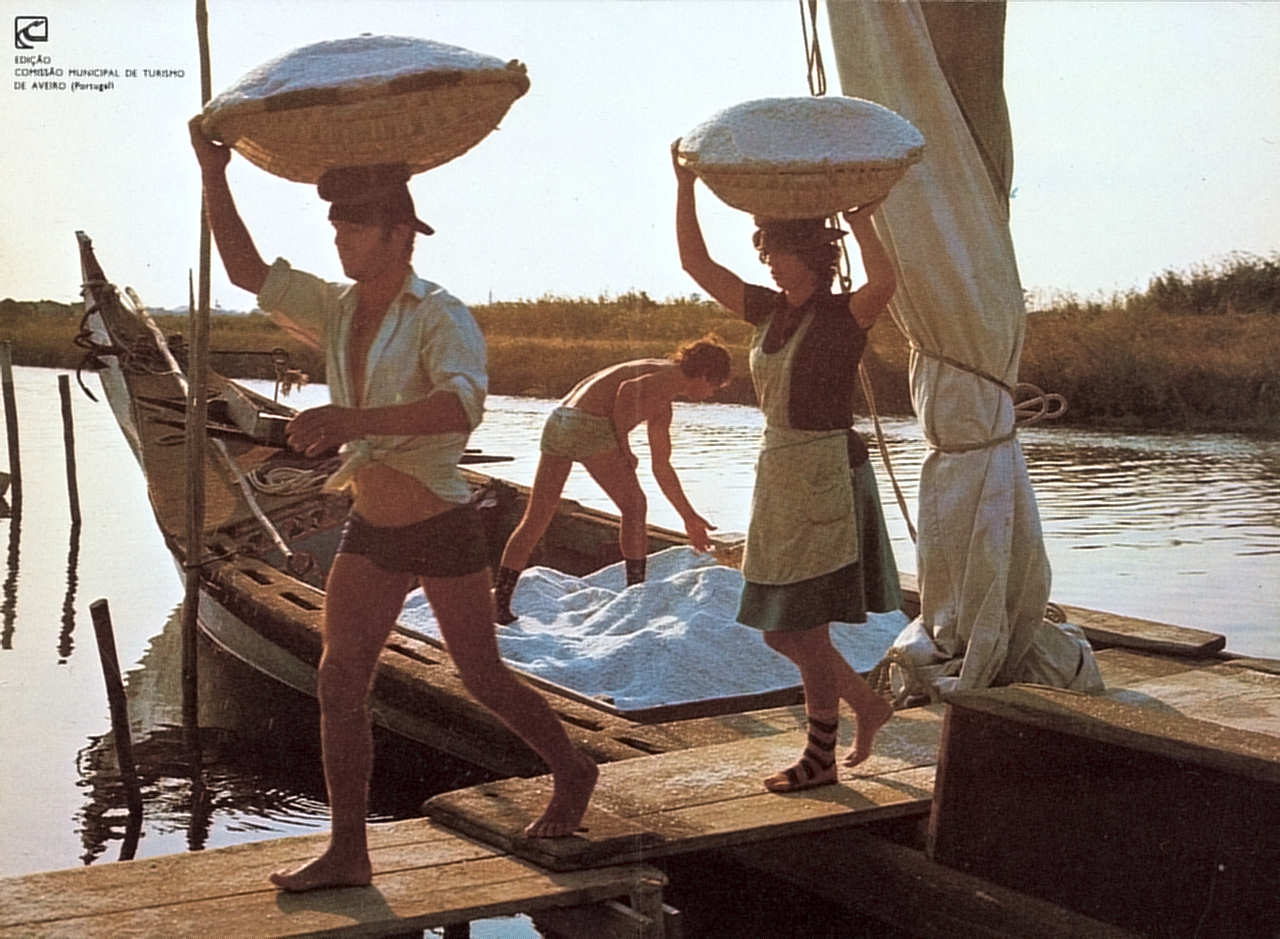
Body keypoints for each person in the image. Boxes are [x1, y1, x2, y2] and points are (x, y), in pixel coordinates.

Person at [189, 118, 598, 891]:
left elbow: (460, 407)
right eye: (336, 226)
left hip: (440, 521)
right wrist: (215, 175)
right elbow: (246, 270)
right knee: (339, 680)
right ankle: (349, 849)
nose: (339, 238)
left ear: (399, 233)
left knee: (481, 674)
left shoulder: (440, 314)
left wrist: (353, 421)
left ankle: (572, 769)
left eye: (354, 226)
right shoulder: (338, 307)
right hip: (371, 525)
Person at [672, 142, 903, 793]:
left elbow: (885, 283)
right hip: (777, 472)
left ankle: (820, 758)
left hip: (825, 473)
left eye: (781, 251)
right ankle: (868, 704)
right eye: (767, 251)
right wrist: (684, 186)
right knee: (779, 632)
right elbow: (695, 263)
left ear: (814, 257)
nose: (771, 262)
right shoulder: (769, 311)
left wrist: (862, 222)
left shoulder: (842, 314)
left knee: (805, 625)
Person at [493, 340, 730, 624]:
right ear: (704, 374)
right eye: (714, 387)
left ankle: (501, 604)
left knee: (536, 517)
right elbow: (627, 391)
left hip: (559, 420)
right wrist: (623, 445)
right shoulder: (671, 376)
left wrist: (688, 516)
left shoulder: (662, 401)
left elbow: (661, 466)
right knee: (635, 506)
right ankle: (635, 597)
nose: (711, 395)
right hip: (587, 425)